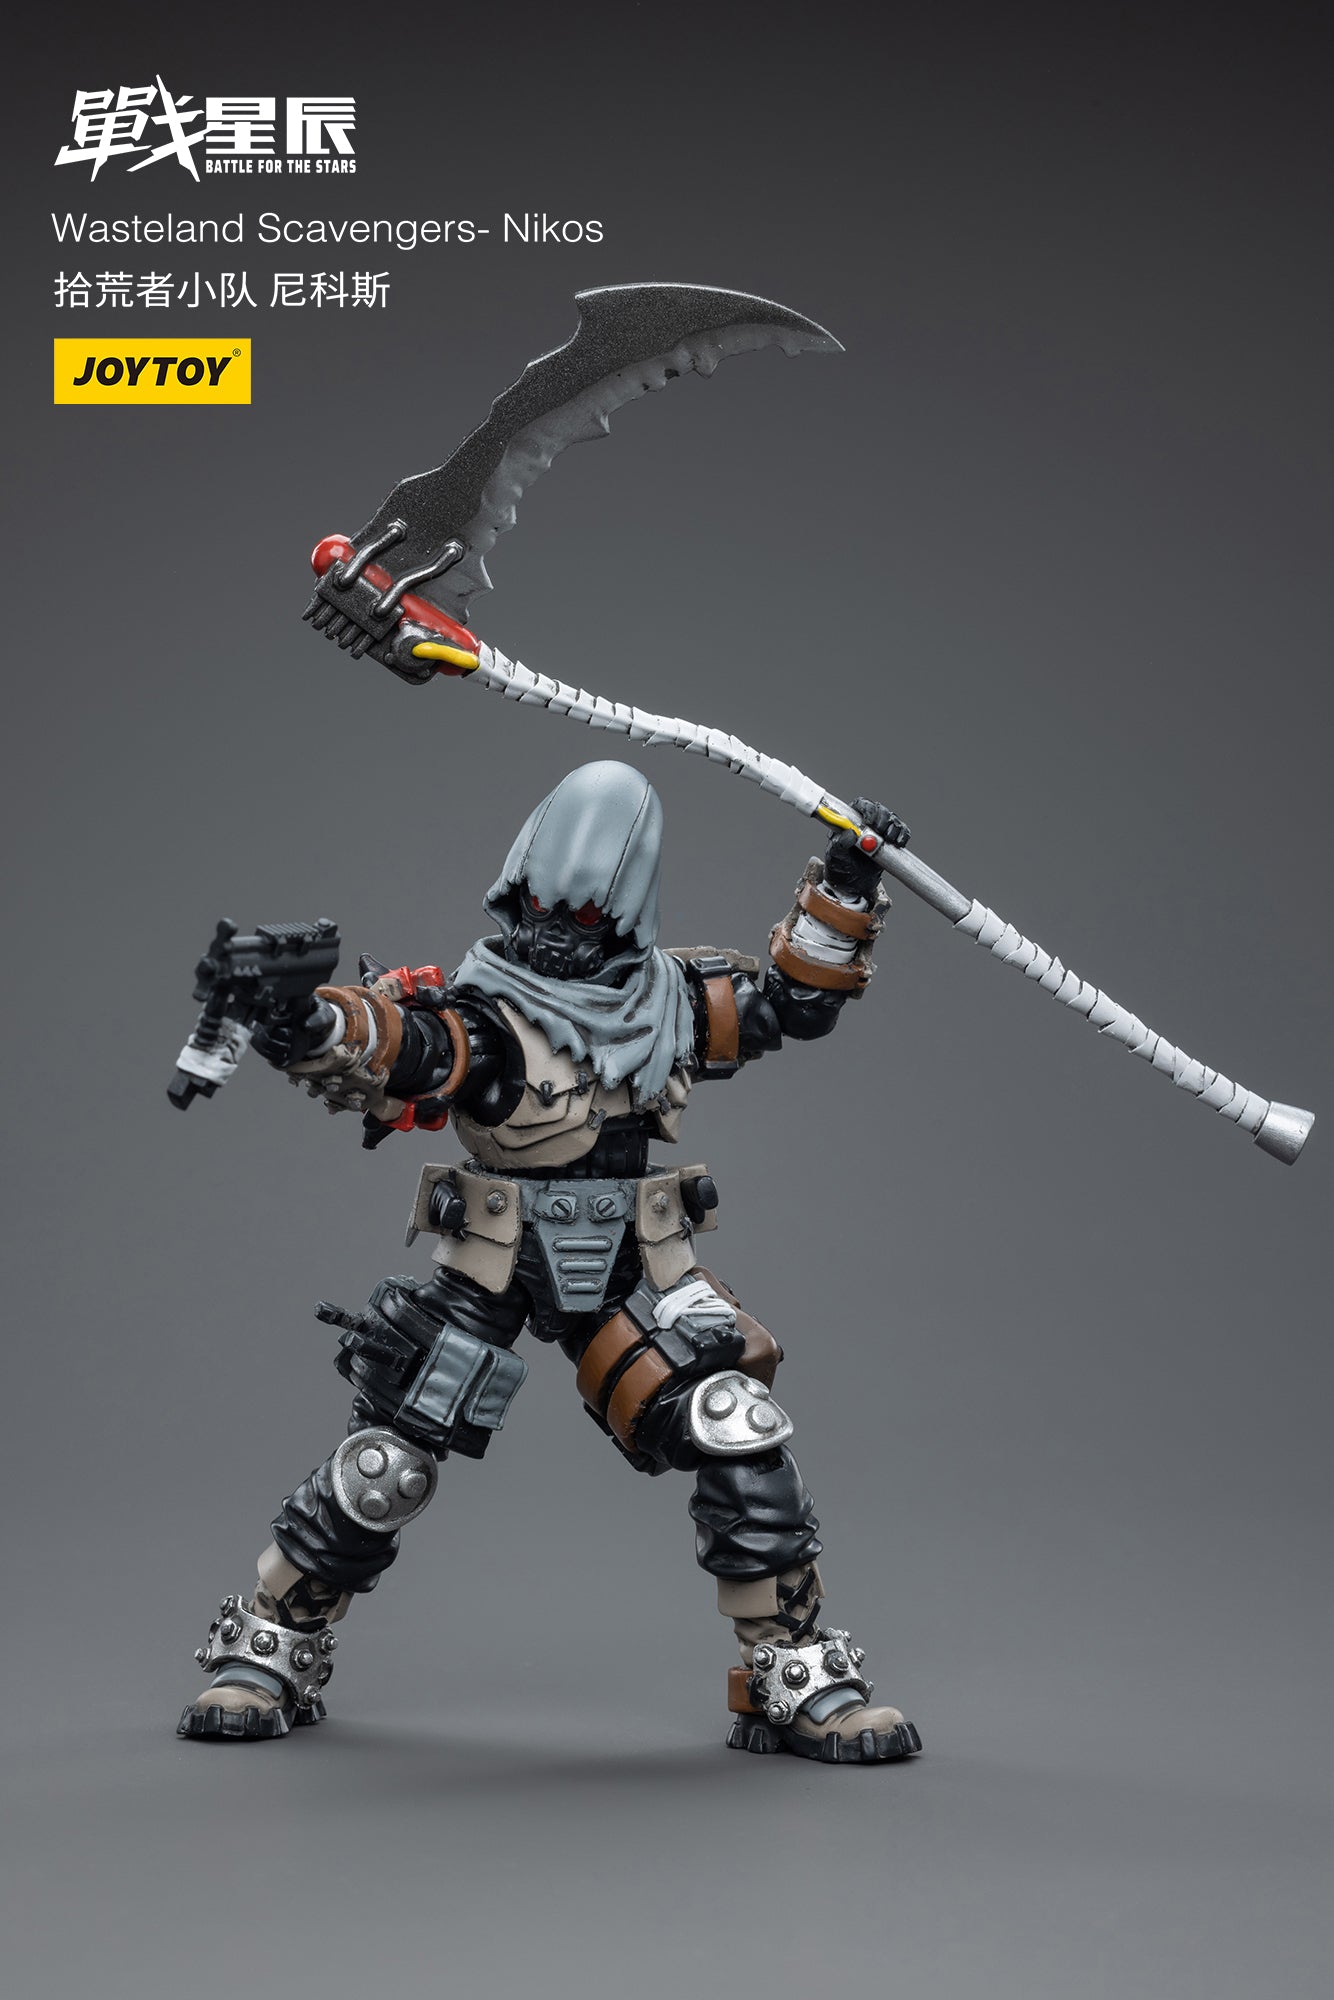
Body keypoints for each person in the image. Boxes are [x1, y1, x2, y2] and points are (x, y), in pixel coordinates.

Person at [178, 759, 921, 1765]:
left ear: (624, 913)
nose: (550, 929)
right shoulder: (485, 1013)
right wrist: (306, 1020)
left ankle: (787, 1674)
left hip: (628, 1262)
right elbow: (404, 1047)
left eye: (578, 911)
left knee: (734, 1424)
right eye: (535, 904)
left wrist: (846, 882)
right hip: (495, 1258)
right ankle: (268, 1648)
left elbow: (793, 1002)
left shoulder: (670, 1001)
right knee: (388, 1460)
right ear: (511, 892)